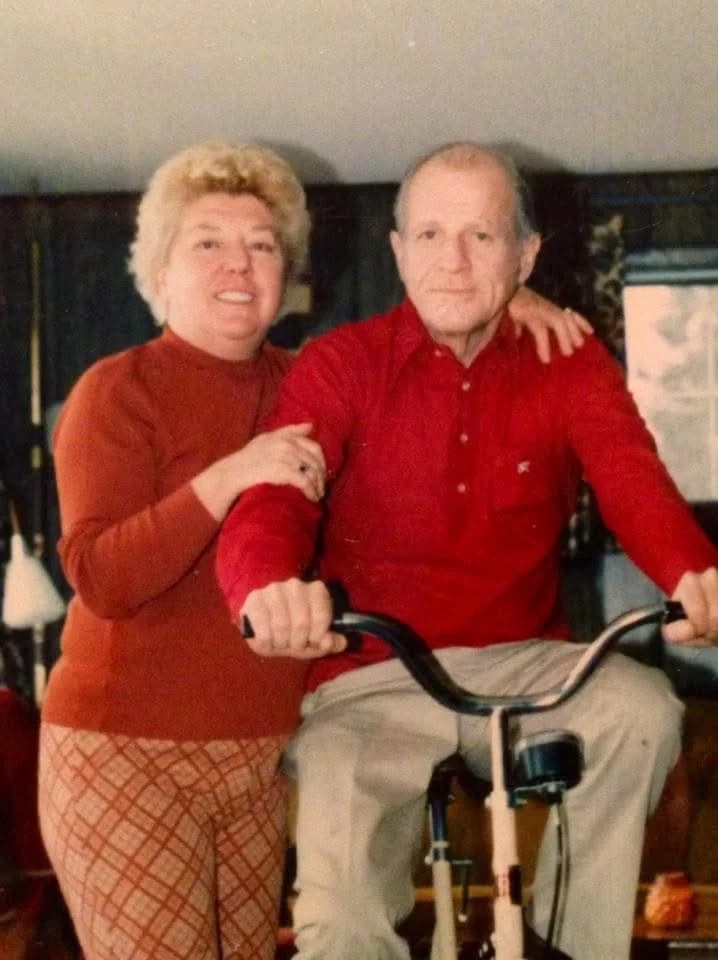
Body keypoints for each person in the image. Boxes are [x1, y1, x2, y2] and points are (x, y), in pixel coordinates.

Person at [35, 140, 584, 960]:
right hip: (126, 759)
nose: (238, 263)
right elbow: (102, 577)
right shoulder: (117, 390)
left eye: (262, 245)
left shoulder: (314, 377)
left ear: (285, 274)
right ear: (158, 271)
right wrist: (231, 476)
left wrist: (513, 304)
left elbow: (436, 346)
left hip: (260, 759)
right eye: (208, 241)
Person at [216, 142, 718, 960]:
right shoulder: (341, 364)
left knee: (643, 711)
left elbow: (634, 481)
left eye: (482, 238)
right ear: (397, 250)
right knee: (340, 918)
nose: (451, 261)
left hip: (529, 670)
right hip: (370, 675)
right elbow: (276, 494)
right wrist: (267, 586)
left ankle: (562, 945)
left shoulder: (568, 360)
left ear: (526, 256)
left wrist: (697, 577)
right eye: (429, 235)